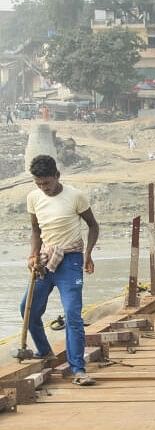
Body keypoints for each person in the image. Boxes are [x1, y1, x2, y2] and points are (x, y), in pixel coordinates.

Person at [22, 155, 101, 386]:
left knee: (72, 315)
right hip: (45, 260)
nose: (43, 188)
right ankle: (45, 351)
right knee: (27, 309)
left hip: (71, 261)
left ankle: (78, 369)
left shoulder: (75, 196)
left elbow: (93, 226)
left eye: (46, 182)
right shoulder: (33, 198)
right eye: (38, 183)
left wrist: (88, 254)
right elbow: (36, 230)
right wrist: (33, 255)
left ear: (57, 176)